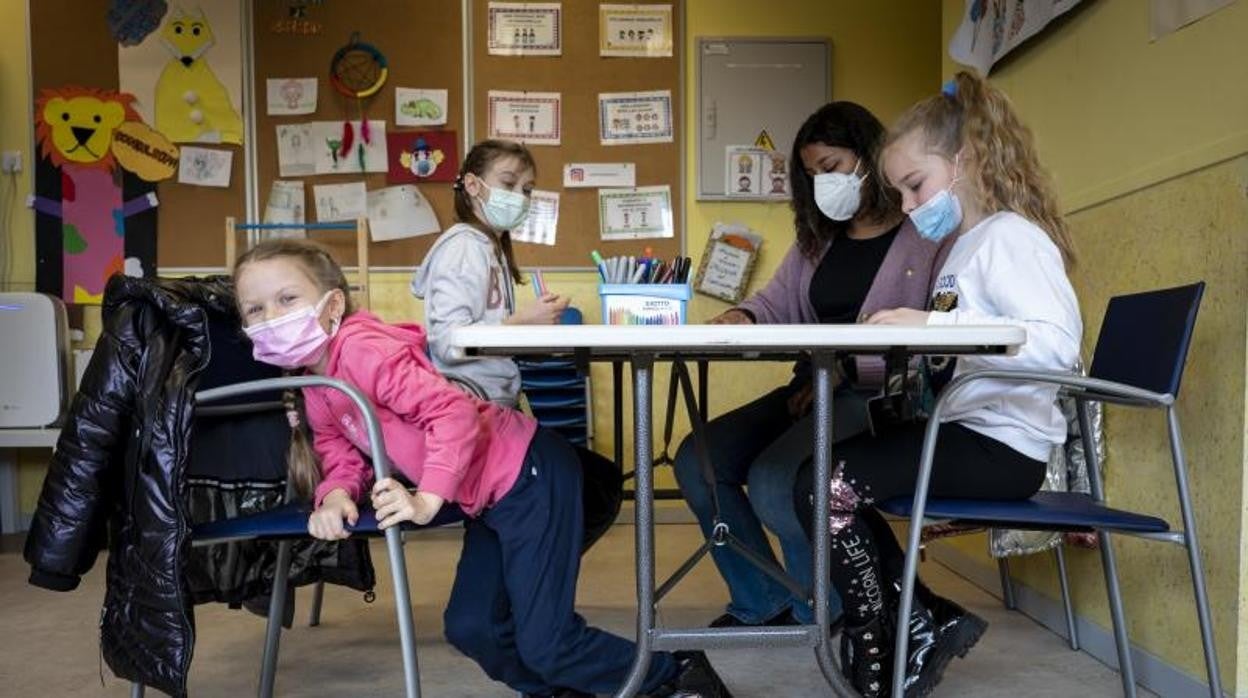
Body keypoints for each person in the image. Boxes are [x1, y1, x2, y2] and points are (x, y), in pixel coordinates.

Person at [232, 239, 733, 698]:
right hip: (489, 499)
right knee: (472, 628)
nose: (270, 316)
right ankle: (560, 691)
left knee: (547, 642)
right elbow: (338, 449)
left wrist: (427, 497)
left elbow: (452, 413)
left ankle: (676, 675)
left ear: (332, 305)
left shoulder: (364, 350)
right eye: (255, 309)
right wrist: (335, 495)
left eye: (286, 300)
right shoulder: (316, 382)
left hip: (530, 474)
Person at [792, 71, 1082, 697]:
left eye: (914, 185)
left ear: (966, 161)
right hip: (967, 429)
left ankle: (892, 630)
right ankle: (917, 620)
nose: (907, 206)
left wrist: (932, 324)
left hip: (1003, 447)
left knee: (824, 486)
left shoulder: (1010, 237)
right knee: (821, 480)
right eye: (898, 191)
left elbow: (1058, 347)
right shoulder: (966, 246)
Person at [672, 102, 947, 631]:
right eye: (813, 173)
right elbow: (776, 304)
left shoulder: (925, 234)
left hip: (879, 395)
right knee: (697, 459)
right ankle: (764, 601)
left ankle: (829, 613)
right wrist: (742, 314)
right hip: (813, 388)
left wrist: (844, 371)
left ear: (868, 158)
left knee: (777, 479)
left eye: (832, 167)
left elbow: (935, 339)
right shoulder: (816, 242)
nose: (823, 183)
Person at [412, 139, 622, 551]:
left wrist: (527, 331)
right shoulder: (463, 248)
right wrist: (516, 324)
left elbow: (486, 333)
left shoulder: (489, 248)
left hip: (493, 409)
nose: (518, 197)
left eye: (526, 190)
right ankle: (529, 565)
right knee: (594, 483)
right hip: (473, 417)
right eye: (508, 183)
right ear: (473, 185)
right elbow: (448, 339)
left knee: (592, 480)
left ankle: (524, 567)